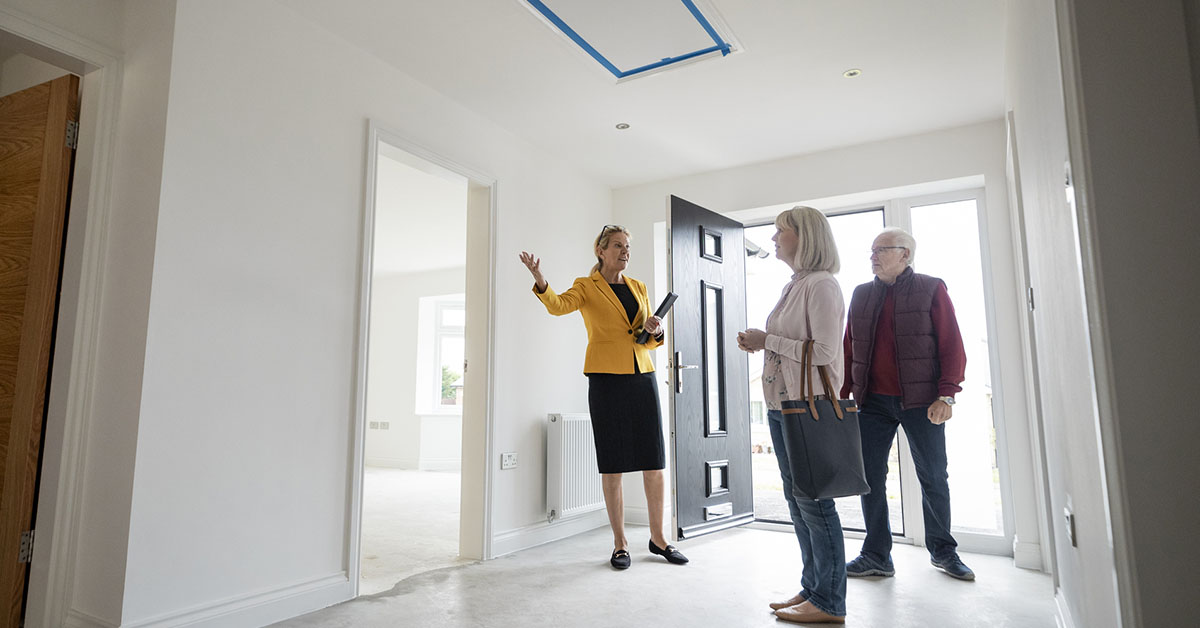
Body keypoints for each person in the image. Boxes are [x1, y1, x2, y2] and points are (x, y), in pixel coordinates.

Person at [519, 225, 688, 570]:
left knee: (654, 461)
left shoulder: (638, 286)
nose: (625, 252)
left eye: (627, 246)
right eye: (617, 246)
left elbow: (645, 335)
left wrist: (656, 330)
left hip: (642, 376)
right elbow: (557, 306)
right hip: (606, 380)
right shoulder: (587, 286)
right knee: (612, 464)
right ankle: (620, 543)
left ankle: (658, 539)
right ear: (600, 249)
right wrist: (540, 279)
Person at [840, 227, 975, 581]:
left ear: (905, 254)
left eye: (881, 250)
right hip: (872, 402)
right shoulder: (860, 294)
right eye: (871, 250)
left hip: (922, 401)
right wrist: (843, 394)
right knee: (869, 478)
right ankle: (876, 554)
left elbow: (952, 344)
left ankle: (944, 551)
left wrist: (947, 394)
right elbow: (848, 347)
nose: (873, 255)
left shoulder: (932, 288)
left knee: (932, 475)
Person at [737, 206, 848, 624]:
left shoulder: (821, 286)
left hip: (808, 410)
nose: (773, 239)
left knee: (815, 504)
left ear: (804, 237)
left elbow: (823, 352)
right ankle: (814, 588)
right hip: (783, 408)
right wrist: (763, 343)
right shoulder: (797, 284)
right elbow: (791, 342)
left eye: (779, 232)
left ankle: (830, 603)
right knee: (800, 502)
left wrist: (770, 340)